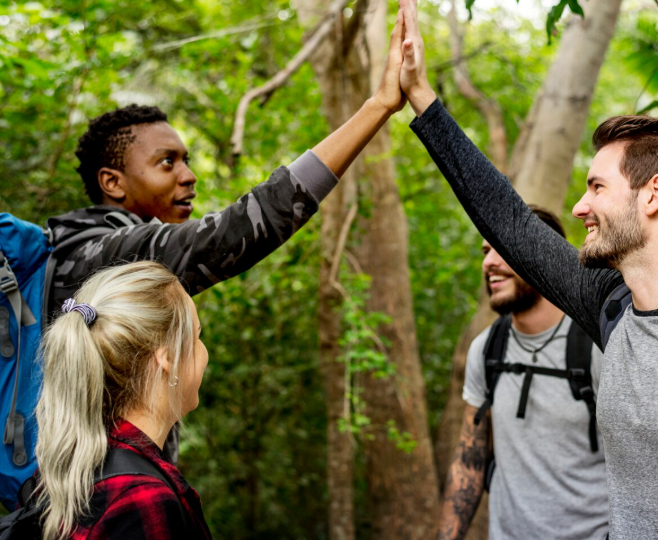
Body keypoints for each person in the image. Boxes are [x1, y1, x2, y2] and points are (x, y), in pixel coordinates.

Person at [395, 0, 658, 538]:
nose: (580, 208)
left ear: (654, 194)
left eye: (597, 187)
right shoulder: (609, 308)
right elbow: (509, 221)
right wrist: (421, 96)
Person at [42, 10, 408, 462]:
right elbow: (231, 233)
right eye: (166, 163)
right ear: (112, 182)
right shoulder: (105, 256)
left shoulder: (93, 245)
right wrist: (378, 106)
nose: (188, 175)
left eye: (186, 160)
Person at [438, 206, 607, 540]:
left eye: (502, 248)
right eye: (486, 251)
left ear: (543, 257)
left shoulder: (596, 348)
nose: (488, 263)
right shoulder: (487, 348)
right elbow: (469, 461)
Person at [35, 261, 211, 539]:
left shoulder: (82, 470)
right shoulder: (140, 499)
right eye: (197, 335)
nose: (204, 352)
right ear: (168, 359)